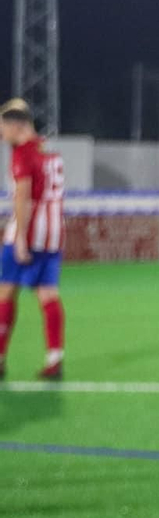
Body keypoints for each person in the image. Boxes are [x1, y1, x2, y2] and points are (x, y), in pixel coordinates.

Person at [0, 99, 66, 381]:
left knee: (5, 293)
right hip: (53, 233)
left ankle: (0, 358)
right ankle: (55, 357)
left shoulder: (22, 154)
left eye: (2, 128)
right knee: (47, 293)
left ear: (16, 125)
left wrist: (21, 241)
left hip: (28, 232)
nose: (2, 135)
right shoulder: (49, 151)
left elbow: (23, 196)